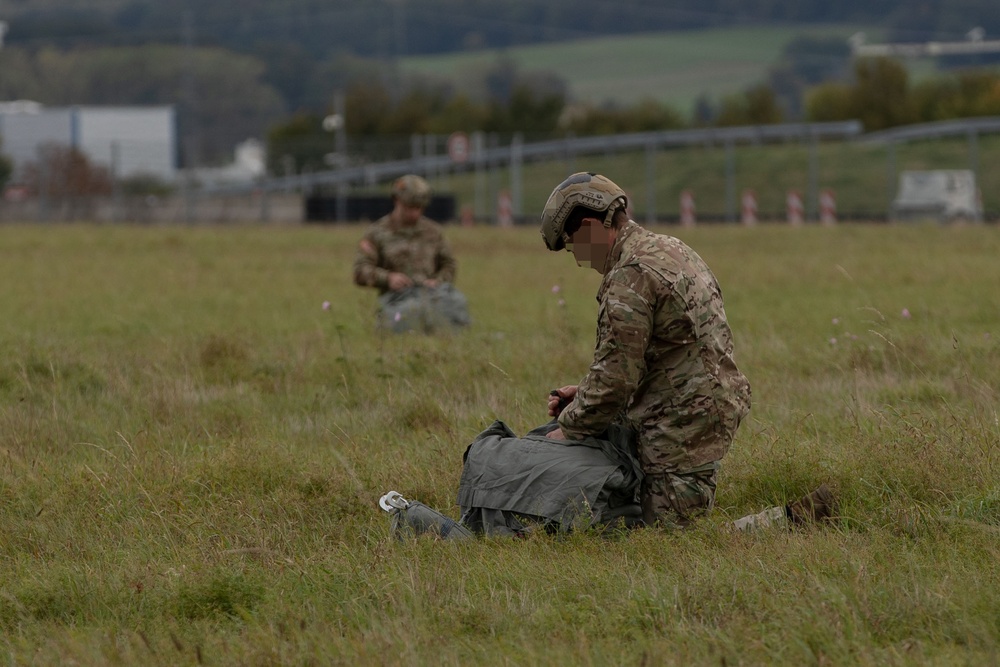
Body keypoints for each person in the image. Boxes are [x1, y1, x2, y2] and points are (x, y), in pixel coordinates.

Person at [539, 172, 834, 530]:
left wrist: (569, 428)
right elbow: (654, 355)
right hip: (699, 405)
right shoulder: (670, 247)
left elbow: (617, 377)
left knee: (676, 540)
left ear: (590, 227)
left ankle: (800, 519)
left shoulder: (629, 276)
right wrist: (584, 394)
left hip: (682, 421)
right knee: (646, 520)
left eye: (573, 246)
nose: (577, 259)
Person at [352, 174, 470, 333]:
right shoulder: (377, 233)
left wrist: (437, 281)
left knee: (457, 303)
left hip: (432, 295)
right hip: (397, 299)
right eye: (409, 207)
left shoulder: (433, 232)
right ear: (396, 201)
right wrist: (388, 278)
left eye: (419, 208)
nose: (415, 213)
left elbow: (449, 264)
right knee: (406, 316)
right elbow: (360, 271)